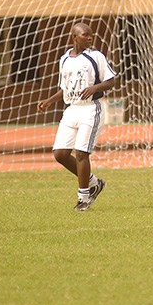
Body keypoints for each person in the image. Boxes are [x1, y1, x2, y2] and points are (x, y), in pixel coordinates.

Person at [38, 23, 116, 212]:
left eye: (91, 35)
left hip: (91, 109)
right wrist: (49, 101)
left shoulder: (96, 56)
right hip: (72, 109)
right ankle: (94, 183)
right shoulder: (65, 58)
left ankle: (84, 198)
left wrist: (95, 88)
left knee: (81, 153)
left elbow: (112, 80)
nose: (90, 38)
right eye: (85, 35)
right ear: (74, 37)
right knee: (60, 154)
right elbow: (65, 88)